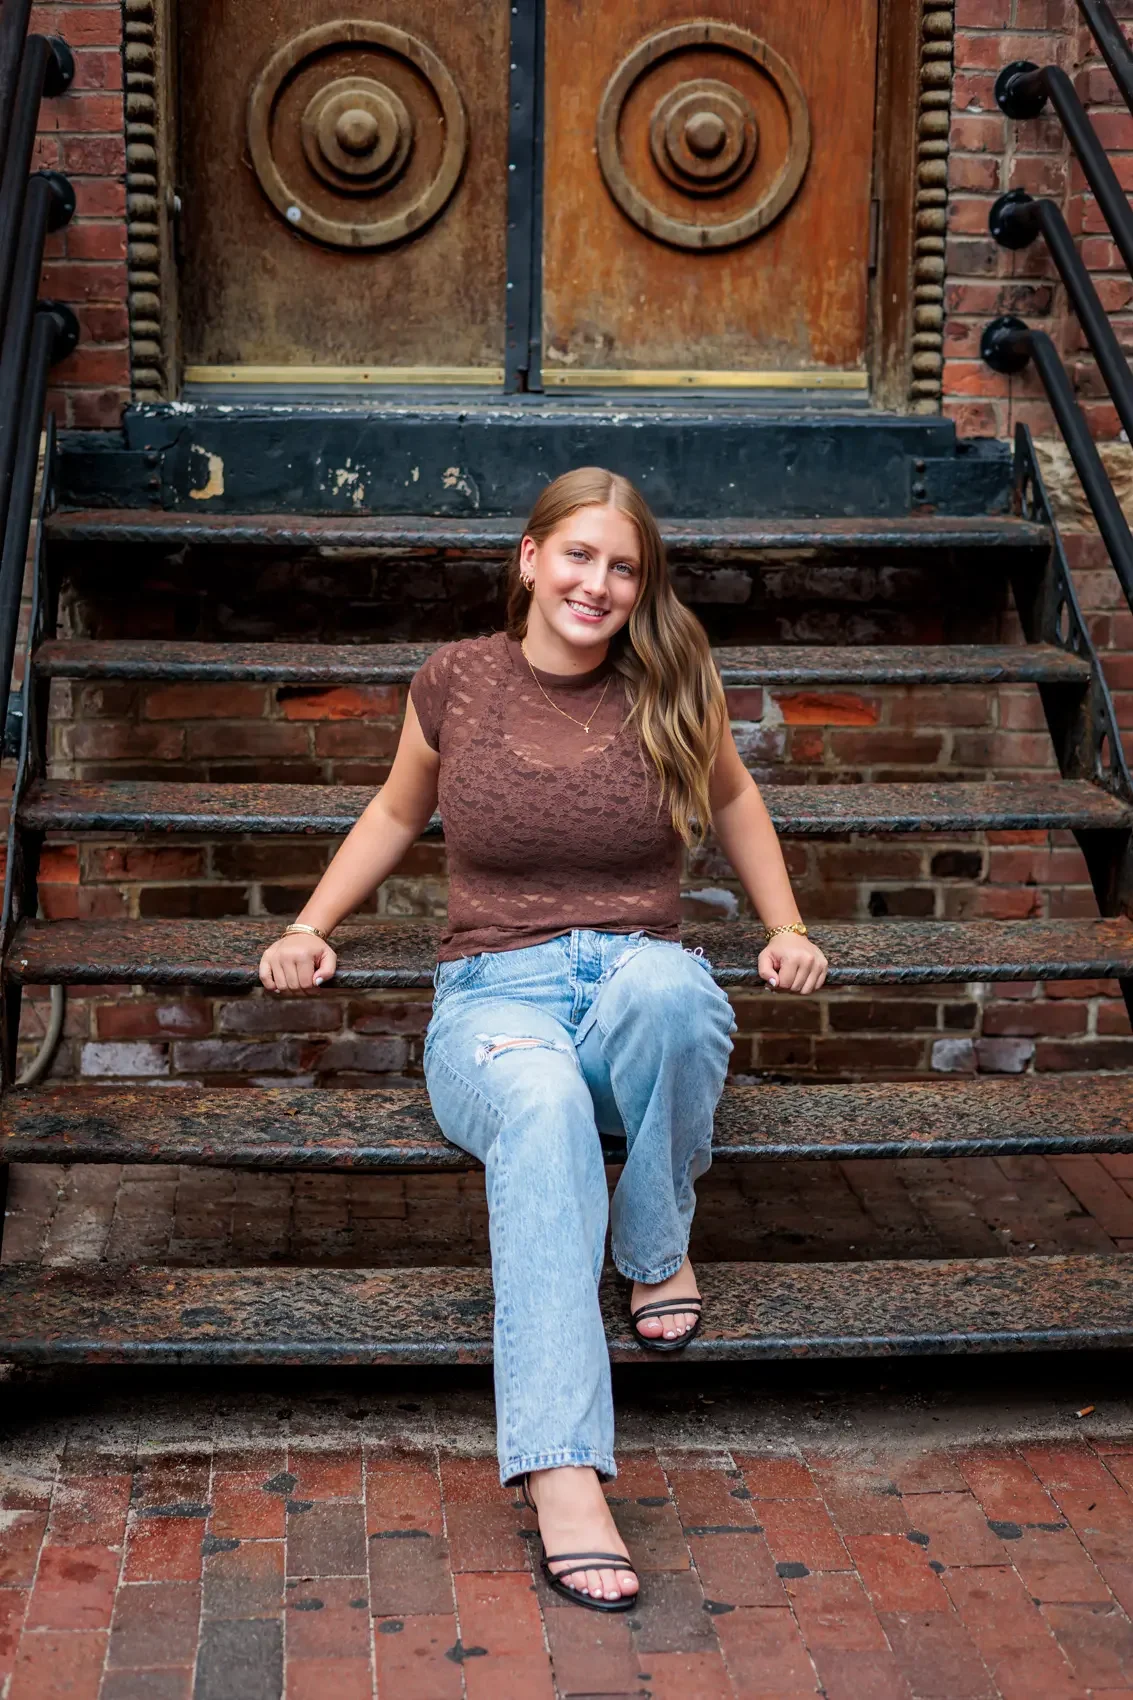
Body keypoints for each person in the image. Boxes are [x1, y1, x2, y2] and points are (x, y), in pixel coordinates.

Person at [258, 466, 827, 1613]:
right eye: (577, 556)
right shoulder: (456, 679)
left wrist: (784, 924)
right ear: (528, 558)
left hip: (628, 982)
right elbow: (392, 812)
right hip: (492, 998)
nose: (599, 583)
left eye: (623, 567)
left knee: (674, 994)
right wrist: (311, 924)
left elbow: (733, 805)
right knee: (546, 1105)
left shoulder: (671, 678)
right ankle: (563, 1469)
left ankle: (652, 1237)